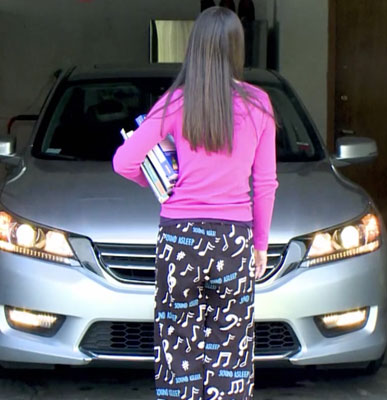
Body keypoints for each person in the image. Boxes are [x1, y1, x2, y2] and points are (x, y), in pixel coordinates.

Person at [113, 6, 277, 400]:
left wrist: (160, 186)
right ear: (238, 48)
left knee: (177, 347)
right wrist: (260, 245)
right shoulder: (258, 104)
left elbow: (124, 162)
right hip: (232, 240)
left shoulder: (174, 103)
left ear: (195, 48)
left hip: (179, 239)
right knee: (230, 349)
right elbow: (266, 182)